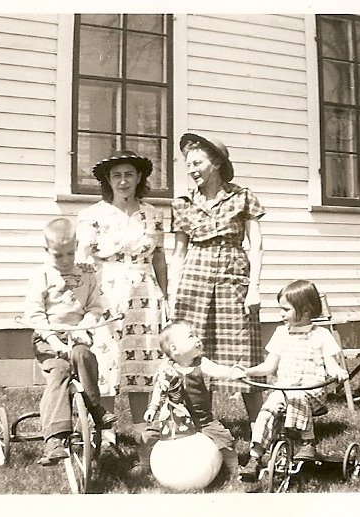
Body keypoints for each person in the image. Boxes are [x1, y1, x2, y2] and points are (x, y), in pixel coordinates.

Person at [170, 132, 266, 421]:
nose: (192, 170)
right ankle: (202, 424)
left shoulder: (242, 197)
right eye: (188, 164)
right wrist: (173, 295)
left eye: (197, 163)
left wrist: (254, 288)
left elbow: (257, 245)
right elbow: (178, 252)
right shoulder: (183, 203)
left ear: (217, 163)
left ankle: (260, 428)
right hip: (193, 282)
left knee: (245, 352)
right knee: (193, 353)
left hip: (233, 280)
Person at [76, 150, 168, 443]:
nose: (123, 181)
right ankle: (106, 430)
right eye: (117, 176)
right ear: (108, 180)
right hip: (106, 289)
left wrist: (166, 295)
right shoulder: (92, 215)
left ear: (139, 177)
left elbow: (159, 258)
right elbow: (82, 256)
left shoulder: (153, 214)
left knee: (143, 357)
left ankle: (142, 427)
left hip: (144, 291)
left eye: (129, 174)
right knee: (106, 357)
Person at [25, 217, 118, 466]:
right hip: (48, 337)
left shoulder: (86, 274)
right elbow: (35, 315)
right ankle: (54, 439)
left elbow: (94, 306)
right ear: (47, 250)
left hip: (78, 333)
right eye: (58, 255)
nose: (65, 260)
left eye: (70, 253)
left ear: (76, 247)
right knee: (61, 371)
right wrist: (54, 341)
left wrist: (82, 327)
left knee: (84, 356)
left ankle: (96, 408)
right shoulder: (42, 276)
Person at [237, 280, 349, 482]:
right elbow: (269, 366)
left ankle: (308, 443)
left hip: (312, 392)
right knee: (267, 409)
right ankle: (255, 457)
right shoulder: (281, 333)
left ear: (305, 311)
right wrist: (248, 371)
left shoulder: (321, 335)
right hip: (284, 390)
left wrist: (338, 371)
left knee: (296, 395)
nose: (281, 314)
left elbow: (331, 365)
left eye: (285, 309)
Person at [136, 320, 245, 477]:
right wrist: (153, 407)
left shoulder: (201, 363)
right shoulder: (166, 368)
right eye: (191, 336)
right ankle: (144, 465)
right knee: (147, 436)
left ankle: (234, 468)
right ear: (174, 349)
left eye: (196, 335)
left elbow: (217, 369)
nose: (197, 339)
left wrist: (231, 373)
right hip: (171, 419)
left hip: (201, 419)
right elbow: (159, 388)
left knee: (225, 438)